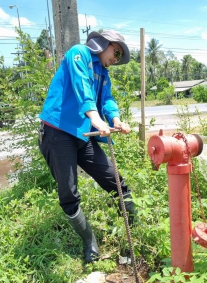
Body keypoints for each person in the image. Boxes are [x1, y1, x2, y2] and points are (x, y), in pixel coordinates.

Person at [38, 30, 136, 264]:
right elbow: (82, 86)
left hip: (83, 135)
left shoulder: (103, 73)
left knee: (115, 181)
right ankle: (89, 241)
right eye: (116, 52)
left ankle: (134, 231)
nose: (116, 58)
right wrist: (95, 118)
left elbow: (108, 99)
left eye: (119, 55)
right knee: (69, 194)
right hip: (58, 132)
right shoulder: (78, 53)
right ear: (104, 43)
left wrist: (115, 119)